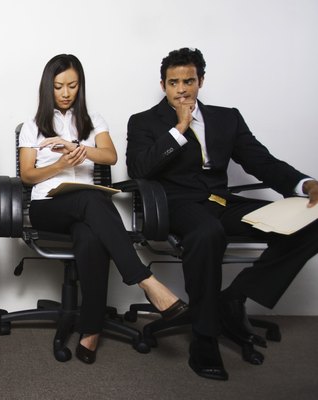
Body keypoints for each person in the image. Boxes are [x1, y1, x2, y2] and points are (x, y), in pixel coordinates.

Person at [126, 47, 318, 380]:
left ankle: (233, 298)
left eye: (189, 81)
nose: (182, 89)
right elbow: (140, 168)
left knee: (310, 222)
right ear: (163, 85)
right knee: (206, 232)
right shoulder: (144, 121)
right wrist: (180, 129)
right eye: (174, 83)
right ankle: (204, 337)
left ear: (201, 81)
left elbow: (262, 161)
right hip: (178, 206)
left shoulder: (226, 117)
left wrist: (305, 185)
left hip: (222, 203)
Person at [19, 54, 188, 364]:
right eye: (59, 87)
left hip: (86, 208)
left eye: (72, 85)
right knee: (92, 200)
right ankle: (146, 280)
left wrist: (79, 150)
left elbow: (109, 156)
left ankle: (91, 329)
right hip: (47, 207)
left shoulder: (94, 120)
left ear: (80, 86)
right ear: (48, 88)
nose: (66, 93)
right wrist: (59, 164)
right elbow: (27, 175)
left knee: (91, 235)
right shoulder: (32, 126)